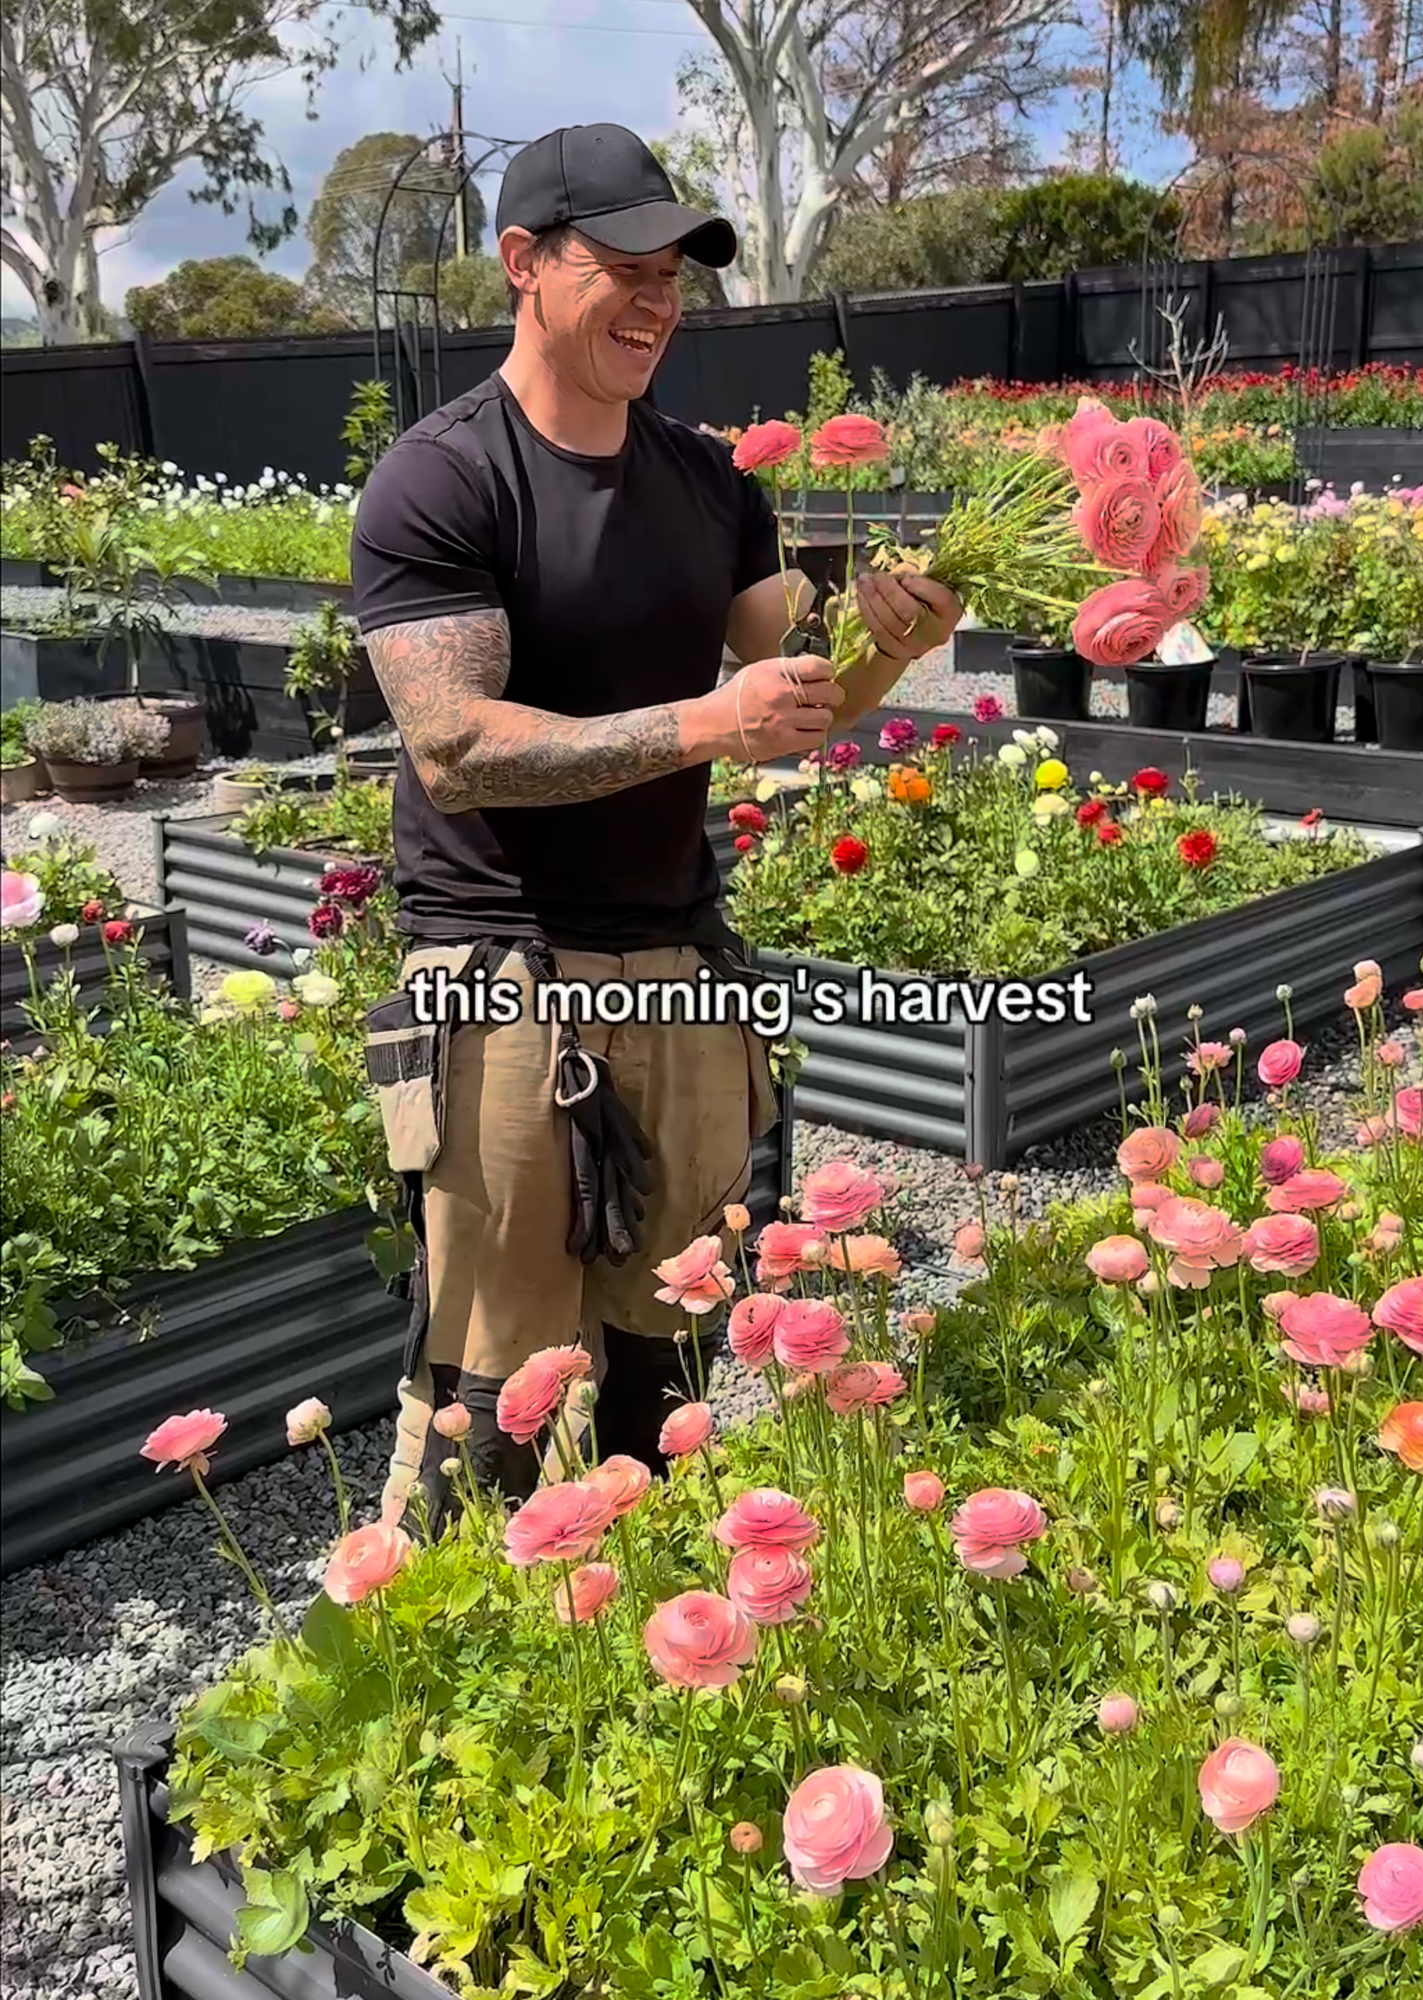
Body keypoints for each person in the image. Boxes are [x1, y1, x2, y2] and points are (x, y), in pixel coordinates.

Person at [350, 121, 960, 1533]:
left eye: (673, 272)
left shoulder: (708, 485)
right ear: (523, 262)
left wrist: (892, 644)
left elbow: (793, 697)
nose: (657, 299)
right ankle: (439, 1635)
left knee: (664, 1368)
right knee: (488, 1393)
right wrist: (704, 723)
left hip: (680, 972)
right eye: (622, 266)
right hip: (503, 979)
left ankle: (649, 1628)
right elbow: (455, 747)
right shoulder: (443, 479)